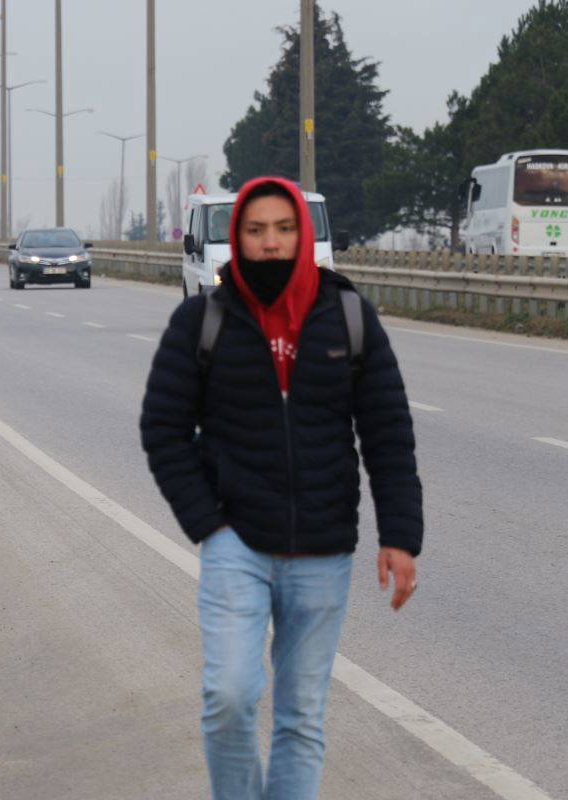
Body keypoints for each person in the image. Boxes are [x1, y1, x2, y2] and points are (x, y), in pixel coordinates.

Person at [139, 177, 423, 800]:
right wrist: (207, 522)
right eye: (256, 230)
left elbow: (388, 434)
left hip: (323, 551)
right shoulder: (203, 320)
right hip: (235, 544)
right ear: (237, 237)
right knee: (229, 696)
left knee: (300, 717)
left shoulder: (348, 315)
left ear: (303, 233)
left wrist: (400, 536)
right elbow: (162, 429)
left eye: (284, 229)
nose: (271, 244)